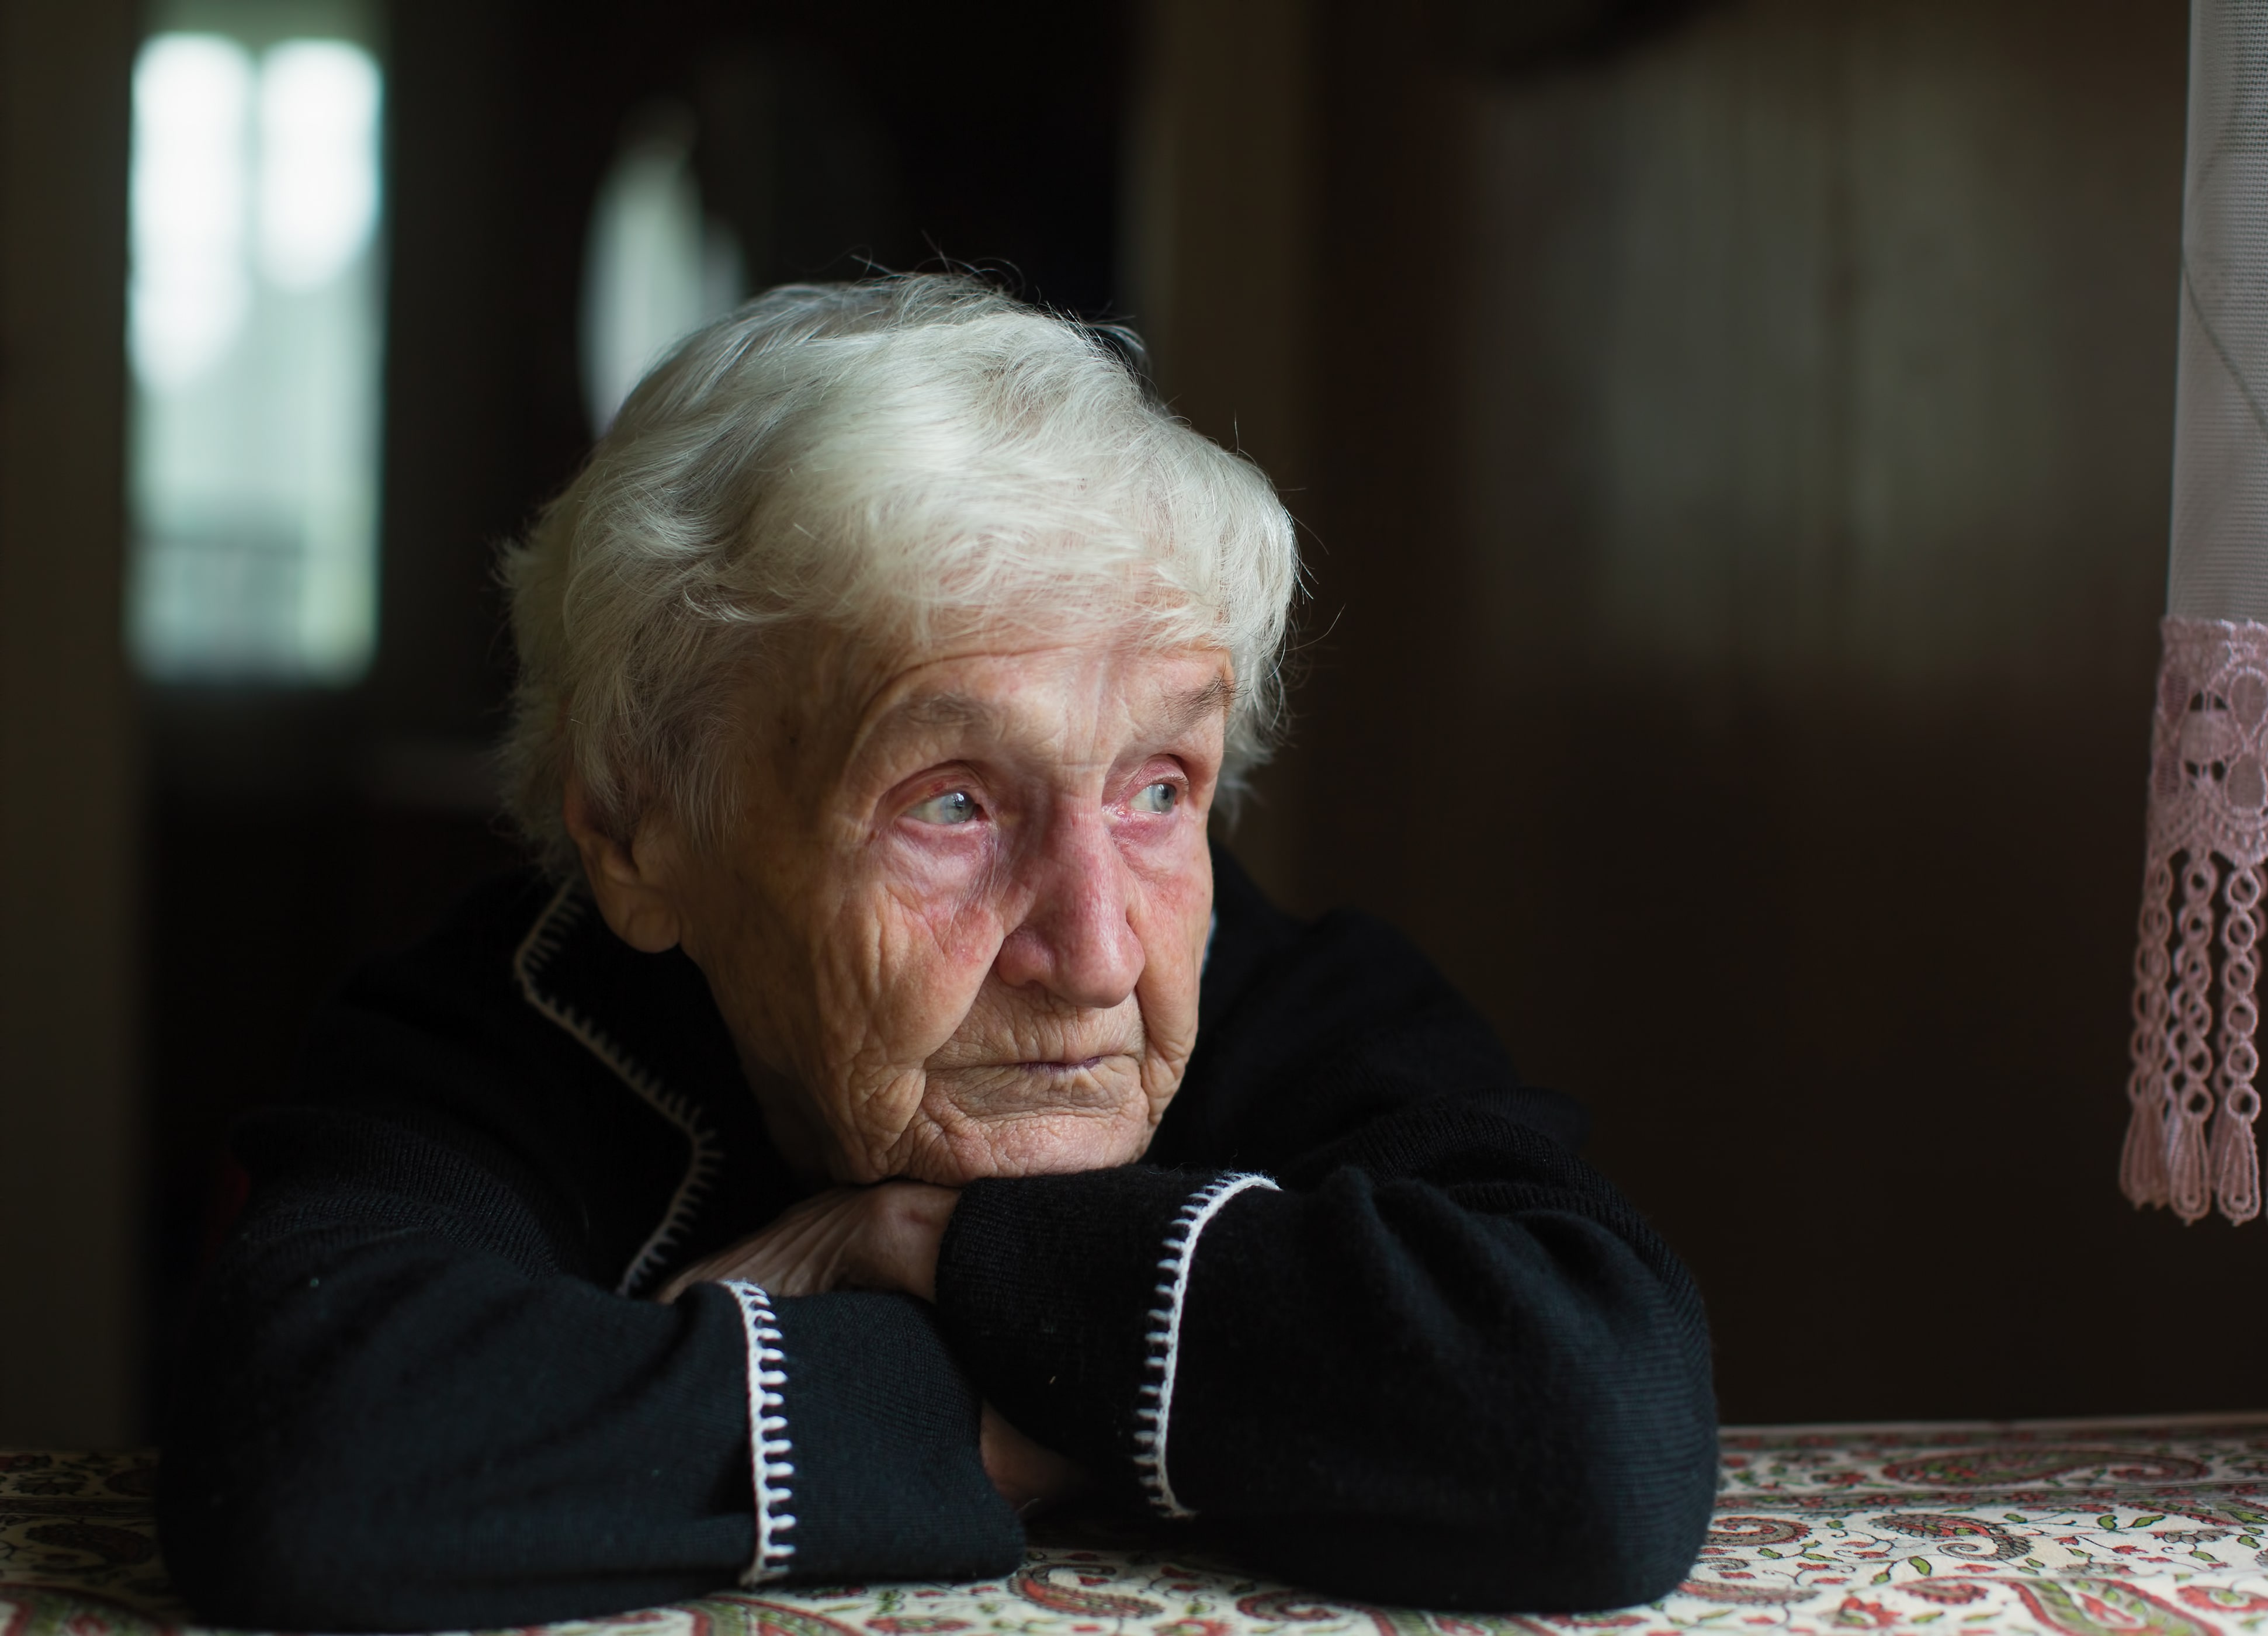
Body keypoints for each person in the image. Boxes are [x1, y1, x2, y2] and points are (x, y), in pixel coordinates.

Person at [157, 276, 1718, 1631]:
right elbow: (304, 1460)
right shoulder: (507, 1026)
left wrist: (940, 1250)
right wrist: (983, 1410)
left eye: (1159, 787)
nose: (1098, 951)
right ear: (638, 838)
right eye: (954, 804)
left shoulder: (1292, 993)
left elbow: (1600, 1425)